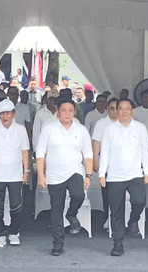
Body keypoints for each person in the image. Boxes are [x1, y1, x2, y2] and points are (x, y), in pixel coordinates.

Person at [36, 98, 93, 256]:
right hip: (54, 175)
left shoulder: (81, 129)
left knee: (78, 195)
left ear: (74, 112)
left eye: (70, 110)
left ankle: (72, 213)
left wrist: (88, 175)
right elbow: (40, 152)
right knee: (56, 209)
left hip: (75, 171)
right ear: (57, 111)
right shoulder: (49, 128)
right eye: (64, 110)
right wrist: (41, 174)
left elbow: (88, 152)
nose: (67, 113)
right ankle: (58, 243)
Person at [99, 98, 148, 256]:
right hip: (114, 176)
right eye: (120, 108)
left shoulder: (140, 128)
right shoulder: (110, 129)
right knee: (116, 211)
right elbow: (105, 153)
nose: (124, 111)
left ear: (132, 111)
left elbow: (145, 151)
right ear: (116, 110)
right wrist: (102, 174)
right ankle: (117, 243)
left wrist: (147, 172)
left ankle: (133, 220)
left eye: (127, 108)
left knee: (139, 201)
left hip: (135, 174)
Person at [0, 99, 30, 247]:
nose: (5, 116)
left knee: (16, 205)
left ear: (13, 114)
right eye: (2, 113)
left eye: (8, 113)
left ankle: (14, 232)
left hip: (15, 174)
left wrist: (26, 171)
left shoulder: (21, 130)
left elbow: (24, 152)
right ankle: (0, 234)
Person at [92, 97, 119, 230]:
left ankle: (117, 218)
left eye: (116, 108)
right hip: (105, 162)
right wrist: (95, 160)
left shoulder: (125, 123)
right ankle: (107, 217)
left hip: (122, 163)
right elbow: (96, 143)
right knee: (107, 192)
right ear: (107, 109)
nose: (114, 111)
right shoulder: (101, 123)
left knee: (118, 192)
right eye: (112, 108)